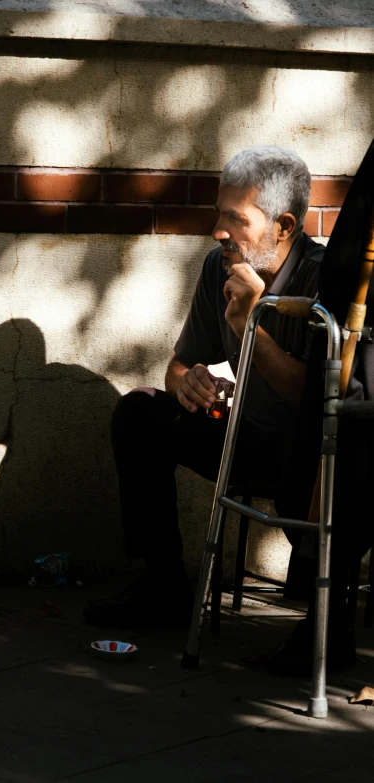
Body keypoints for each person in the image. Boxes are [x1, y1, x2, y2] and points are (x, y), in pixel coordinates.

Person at [84, 146, 329, 657]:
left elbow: (312, 399)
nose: (219, 231)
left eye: (235, 219)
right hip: (248, 437)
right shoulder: (221, 267)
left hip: (313, 457)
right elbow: (177, 365)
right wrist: (186, 382)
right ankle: (165, 584)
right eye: (219, 214)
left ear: (283, 226)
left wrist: (251, 323)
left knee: (320, 477)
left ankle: (324, 614)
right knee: (141, 412)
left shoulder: (320, 279)